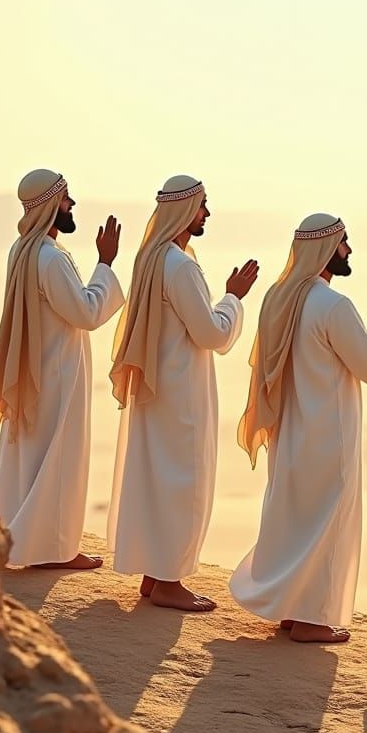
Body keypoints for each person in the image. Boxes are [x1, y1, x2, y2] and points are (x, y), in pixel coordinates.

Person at [230, 213, 367, 642]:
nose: (349, 251)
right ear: (327, 249)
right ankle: (310, 621)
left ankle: (292, 609)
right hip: (328, 436)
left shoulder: (277, 296)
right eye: (344, 243)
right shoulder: (333, 305)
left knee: (296, 520)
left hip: (288, 431)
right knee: (327, 524)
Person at [107, 175, 258, 612]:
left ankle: (156, 576)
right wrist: (233, 297)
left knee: (159, 480)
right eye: (202, 206)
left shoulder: (151, 258)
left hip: (157, 390)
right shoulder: (179, 264)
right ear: (185, 210)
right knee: (185, 484)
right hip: (182, 393)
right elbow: (211, 333)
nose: (206, 214)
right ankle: (170, 581)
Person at [0, 169, 124, 569]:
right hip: (58, 374)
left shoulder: (22, 249)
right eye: (65, 199)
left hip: (30, 369)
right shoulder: (51, 257)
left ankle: (20, 540)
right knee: (60, 460)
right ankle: (55, 550)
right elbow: (86, 312)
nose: (71, 204)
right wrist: (105, 263)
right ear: (49, 205)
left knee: (29, 458)